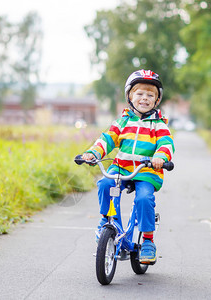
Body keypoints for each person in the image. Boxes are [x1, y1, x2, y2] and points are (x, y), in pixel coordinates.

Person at [81, 69, 174, 263]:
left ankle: (148, 239)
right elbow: (107, 140)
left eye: (150, 95)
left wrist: (159, 156)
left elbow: (166, 144)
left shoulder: (159, 125)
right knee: (105, 184)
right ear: (130, 97)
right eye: (139, 93)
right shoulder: (122, 122)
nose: (144, 98)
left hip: (146, 171)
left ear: (157, 101)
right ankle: (106, 221)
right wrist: (93, 153)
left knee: (144, 198)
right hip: (121, 167)